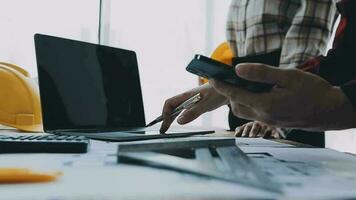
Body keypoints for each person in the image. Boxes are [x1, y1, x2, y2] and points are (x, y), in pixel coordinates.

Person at [160, 0, 356, 135]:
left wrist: (279, 117)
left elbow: (307, 43)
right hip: (257, 94)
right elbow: (346, 59)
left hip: (288, 104)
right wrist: (223, 88)